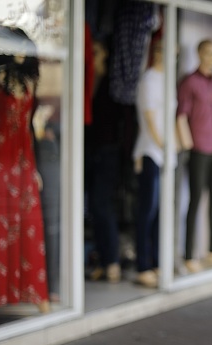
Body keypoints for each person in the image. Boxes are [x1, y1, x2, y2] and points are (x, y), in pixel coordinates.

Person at [0, 33, 50, 313]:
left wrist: (35, 167)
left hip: (22, 162)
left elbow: (29, 128)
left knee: (29, 225)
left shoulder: (29, 82)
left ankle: (35, 293)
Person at [176, 39, 212, 273]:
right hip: (198, 147)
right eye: (209, 53)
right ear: (200, 54)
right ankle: (189, 254)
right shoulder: (190, 83)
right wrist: (188, 145)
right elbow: (181, 116)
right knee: (195, 200)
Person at [132, 38, 170, 288]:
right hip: (151, 152)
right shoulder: (149, 81)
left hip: (165, 154)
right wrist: (164, 145)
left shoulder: (166, 81)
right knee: (148, 210)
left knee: (159, 213)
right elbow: (149, 118)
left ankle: (156, 261)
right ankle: (142, 264)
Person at [85, 38, 122, 284]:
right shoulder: (89, 80)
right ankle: (102, 259)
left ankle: (112, 261)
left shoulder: (111, 85)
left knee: (102, 205)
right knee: (94, 207)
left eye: (96, 52)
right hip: (92, 151)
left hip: (108, 152)